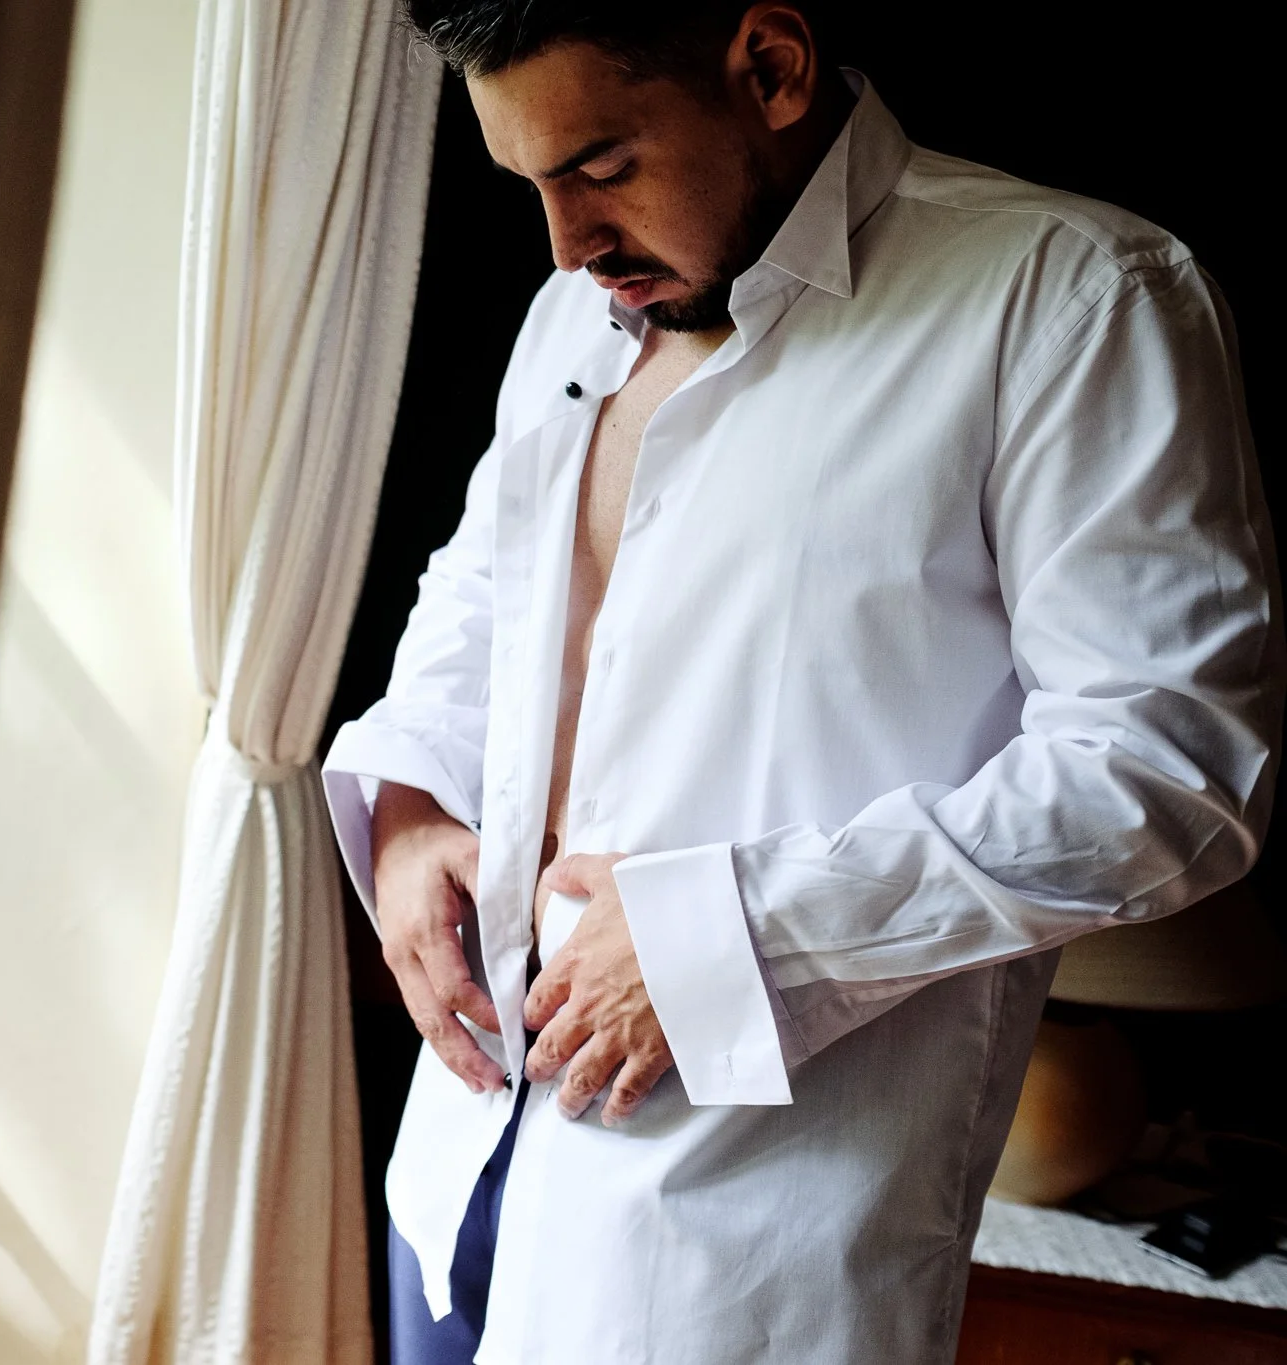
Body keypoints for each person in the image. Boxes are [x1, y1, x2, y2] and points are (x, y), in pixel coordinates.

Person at [319, 3, 1282, 1361]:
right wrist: (412, 802)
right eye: (530, 183)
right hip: (456, 1176)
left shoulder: (1072, 299)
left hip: (729, 1260)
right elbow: (484, 591)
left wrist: (741, 935)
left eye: (602, 166)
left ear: (770, 70)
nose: (566, 243)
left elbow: (1167, 769)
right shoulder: (570, 318)